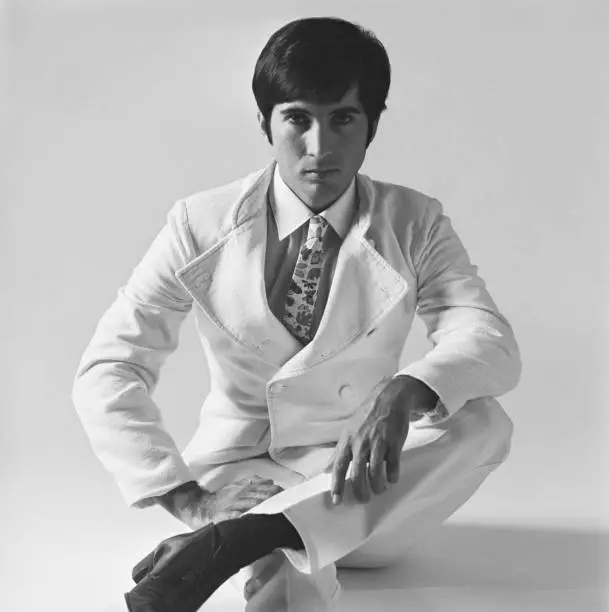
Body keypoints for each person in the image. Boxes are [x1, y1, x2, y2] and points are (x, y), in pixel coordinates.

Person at [72, 16, 522, 612]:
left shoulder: (415, 221)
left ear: (371, 127)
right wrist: (188, 500)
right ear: (265, 123)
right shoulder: (198, 223)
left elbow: (487, 338)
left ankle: (239, 539)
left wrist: (404, 391)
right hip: (241, 477)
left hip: (365, 479)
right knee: (288, 589)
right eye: (298, 119)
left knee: (482, 423)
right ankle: (243, 531)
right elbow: (108, 369)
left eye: (342, 119)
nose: (320, 148)